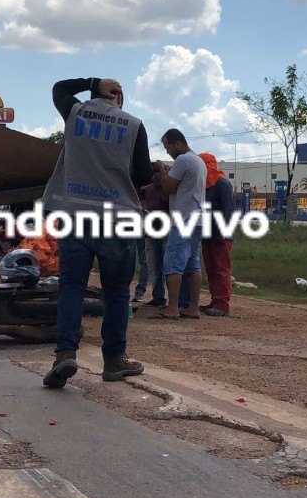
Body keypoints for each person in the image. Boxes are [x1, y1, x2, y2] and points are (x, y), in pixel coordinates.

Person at [41, 77, 152, 388]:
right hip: (117, 220)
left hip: (76, 216)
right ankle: (114, 361)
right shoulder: (133, 125)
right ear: (119, 97)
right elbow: (143, 175)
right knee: (116, 292)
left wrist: (91, 81)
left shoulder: (75, 113)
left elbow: (58, 88)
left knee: (72, 287)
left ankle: (65, 353)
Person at [156, 129, 206, 320]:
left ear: (177, 144)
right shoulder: (198, 161)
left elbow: (168, 188)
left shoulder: (183, 160)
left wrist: (162, 170)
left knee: (173, 263)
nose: (167, 152)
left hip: (183, 219)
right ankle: (194, 308)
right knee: (193, 264)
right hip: (198, 218)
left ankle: (173, 307)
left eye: (167, 147)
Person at [198, 153, 236, 317]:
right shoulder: (203, 185)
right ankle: (215, 300)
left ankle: (222, 304)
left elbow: (228, 210)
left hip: (221, 234)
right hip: (208, 233)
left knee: (221, 269)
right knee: (211, 268)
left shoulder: (222, 183)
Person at [138, 181, 168, 307]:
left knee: (168, 266)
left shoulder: (167, 187)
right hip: (152, 230)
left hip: (165, 230)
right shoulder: (147, 189)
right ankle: (158, 296)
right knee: (154, 265)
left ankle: (173, 299)